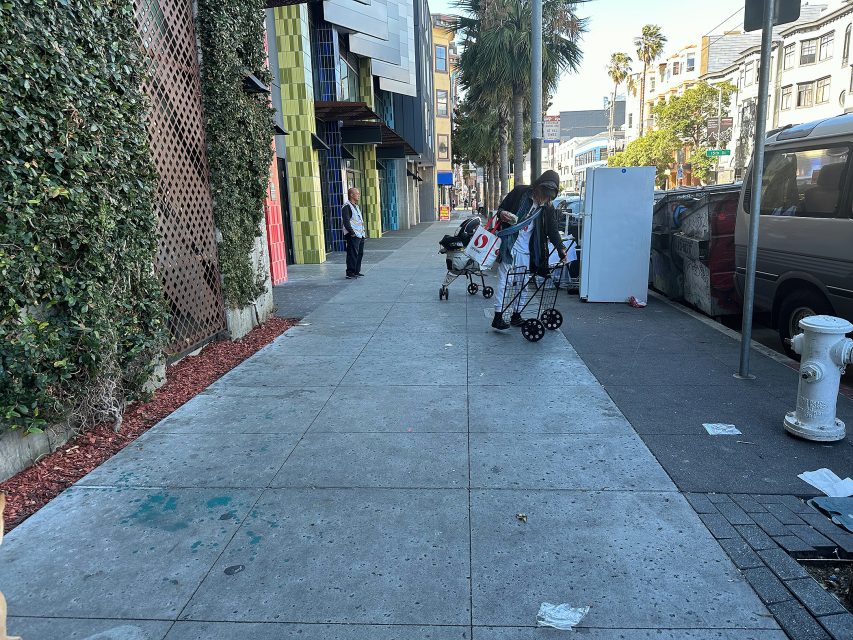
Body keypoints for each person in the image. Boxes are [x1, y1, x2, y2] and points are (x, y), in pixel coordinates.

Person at [491, 170, 567, 330]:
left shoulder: (547, 208)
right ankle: (498, 316)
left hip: (528, 249)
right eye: (543, 194)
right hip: (510, 244)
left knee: (523, 283)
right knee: (504, 281)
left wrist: (561, 248)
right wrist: (502, 213)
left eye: (548, 197)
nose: (544, 199)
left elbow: (552, 230)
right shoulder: (520, 192)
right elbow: (500, 209)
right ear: (538, 187)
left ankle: (516, 315)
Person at [342, 187, 366, 279]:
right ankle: (350, 272)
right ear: (352, 195)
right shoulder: (346, 207)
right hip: (353, 235)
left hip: (360, 234)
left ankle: (356, 271)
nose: (359, 195)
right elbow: (346, 221)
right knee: (352, 254)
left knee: (359, 253)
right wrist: (352, 233)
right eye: (357, 193)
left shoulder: (356, 206)